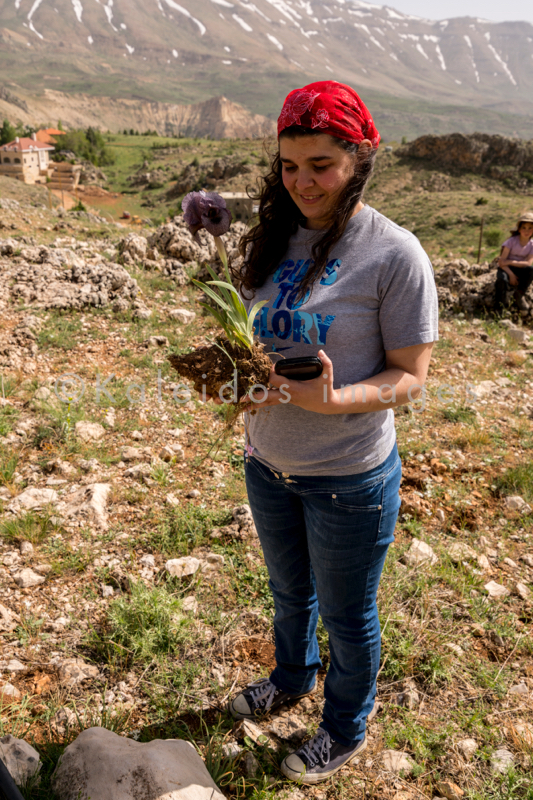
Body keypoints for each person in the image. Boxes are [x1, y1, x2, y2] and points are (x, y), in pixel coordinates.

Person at [220, 81, 439, 785]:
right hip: (267, 462)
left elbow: (410, 376)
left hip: (347, 477)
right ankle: (291, 677)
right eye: (289, 166)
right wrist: (232, 375)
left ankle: (344, 728)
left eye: (321, 164)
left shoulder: (394, 253)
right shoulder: (273, 238)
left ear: (358, 161)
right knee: (288, 594)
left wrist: (335, 398)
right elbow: (258, 343)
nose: (302, 182)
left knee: (346, 616)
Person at [494, 211, 533, 313]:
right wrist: (511, 275)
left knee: (531, 270)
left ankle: (519, 294)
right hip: (506, 269)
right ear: (519, 229)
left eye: (530, 228)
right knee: (501, 280)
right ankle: (499, 309)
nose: (527, 231)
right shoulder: (511, 242)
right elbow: (502, 263)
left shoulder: (532, 245)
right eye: (524, 227)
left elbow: (528, 263)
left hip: (518, 268)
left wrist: (510, 261)